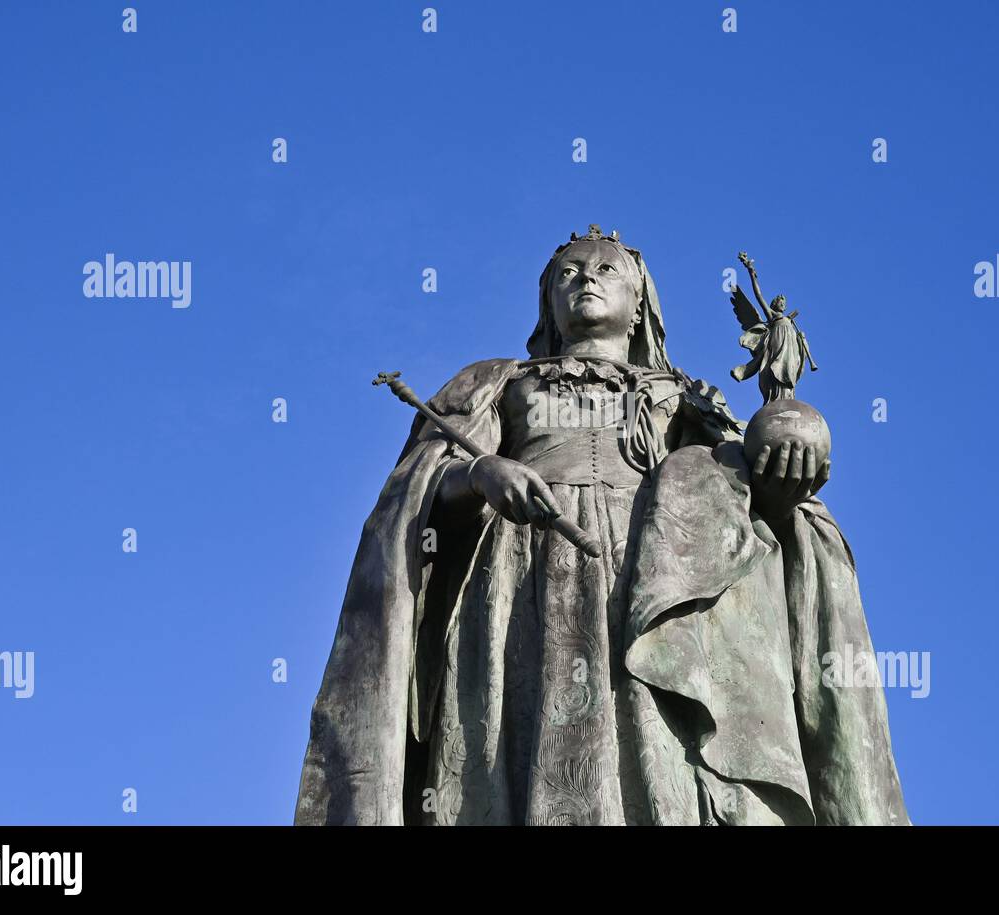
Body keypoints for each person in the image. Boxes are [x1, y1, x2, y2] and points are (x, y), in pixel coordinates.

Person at [295, 226, 909, 825]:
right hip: (521, 574)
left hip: (655, 579)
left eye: (605, 269)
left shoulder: (687, 398)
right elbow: (420, 487)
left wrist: (788, 463)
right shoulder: (500, 381)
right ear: (548, 304)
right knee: (519, 743)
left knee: (656, 743)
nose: (585, 278)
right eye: (568, 273)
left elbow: (745, 511)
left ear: (640, 303)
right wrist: (482, 473)